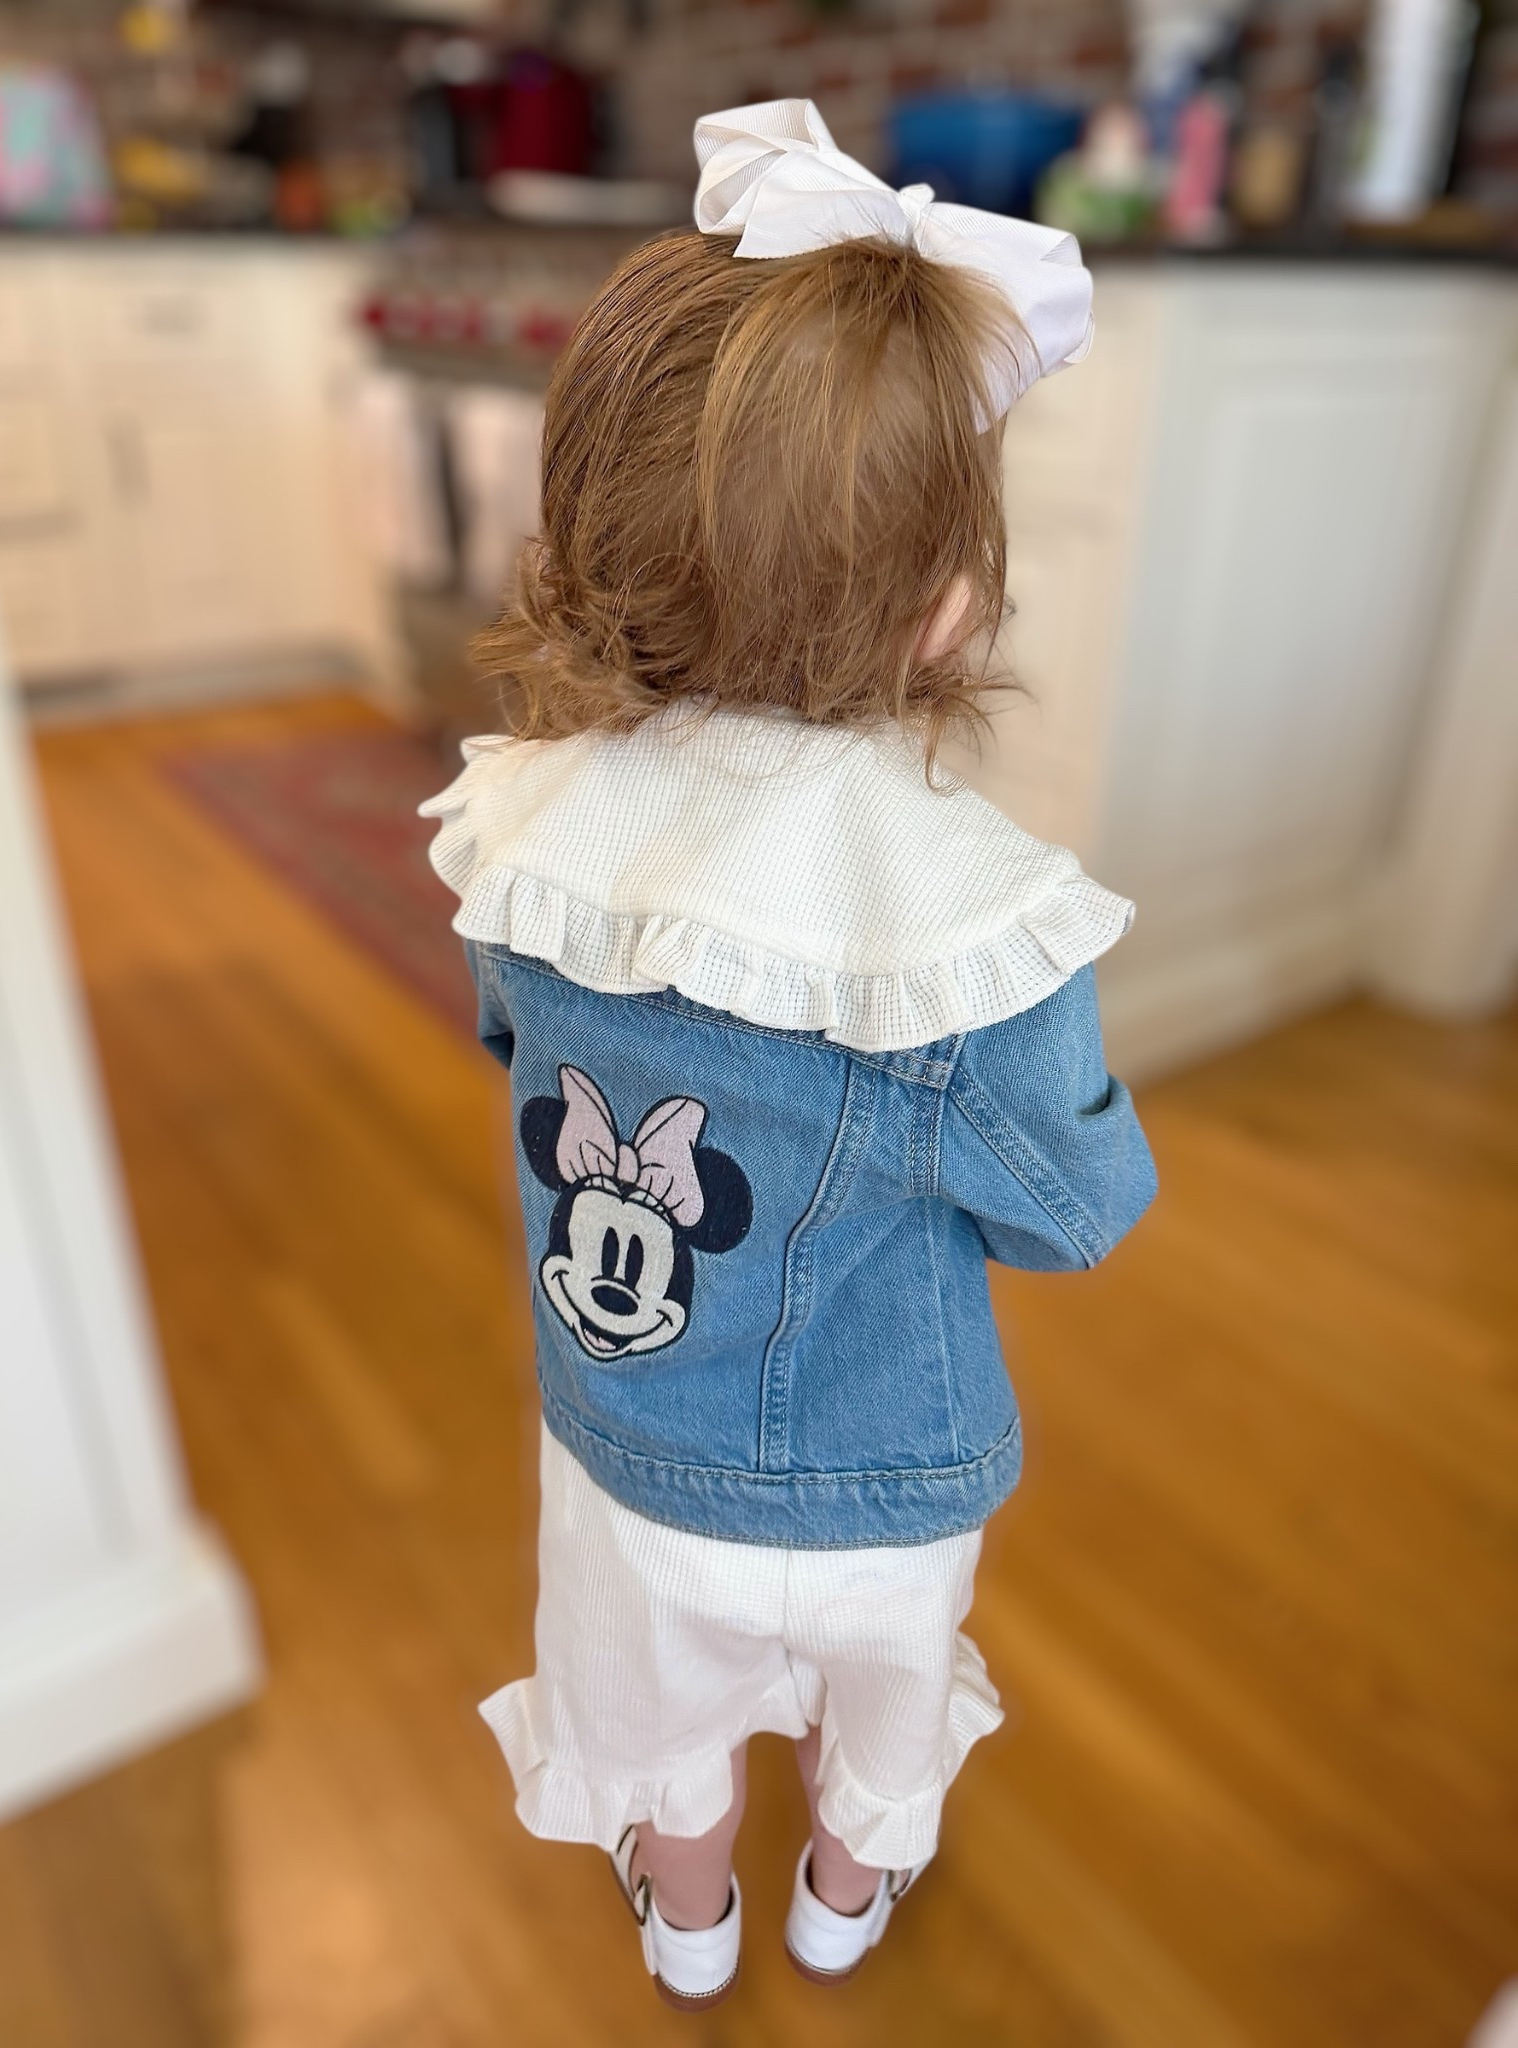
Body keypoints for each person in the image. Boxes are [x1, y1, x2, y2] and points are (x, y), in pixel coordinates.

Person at [422, 99, 1157, 2009]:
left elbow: (513, 1046)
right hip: (882, 1477)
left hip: (623, 1450)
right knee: (881, 1704)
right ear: (947, 599)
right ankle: (844, 1889)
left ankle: (688, 1915)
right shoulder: (975, 925)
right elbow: (1079, 1211)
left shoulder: (526, 831)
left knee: (650, 1710)